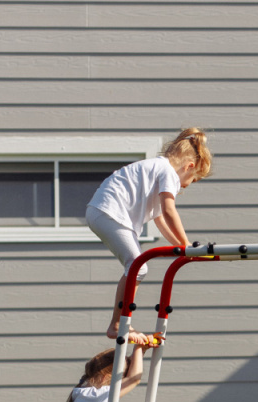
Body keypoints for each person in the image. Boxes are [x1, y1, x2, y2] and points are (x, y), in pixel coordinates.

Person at [86, 127, 213, 345]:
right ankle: (117, 324)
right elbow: (169, 210)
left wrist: (181, 249)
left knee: (135, 267)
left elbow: (160, 220)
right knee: (138, 267)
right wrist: (186, 244)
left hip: (103, 212)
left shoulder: (155, 170)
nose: (184, 186)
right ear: (189, 166)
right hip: (109, 212)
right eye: (191, 180)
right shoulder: (168, 172)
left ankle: (118, 322)